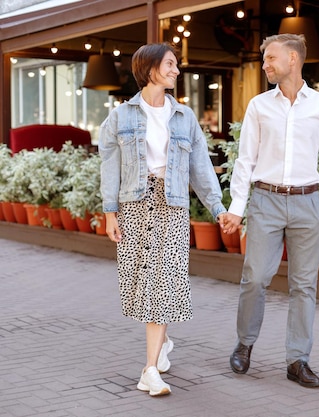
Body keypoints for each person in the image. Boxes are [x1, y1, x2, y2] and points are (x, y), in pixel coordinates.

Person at [99, 43, 226, 397]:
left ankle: (149, 370)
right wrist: (110, 213)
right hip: (135, 206)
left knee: (162, 282)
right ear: (150, 68)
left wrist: (218, 209)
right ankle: (163, 341)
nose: (176, 71)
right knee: (144, 283)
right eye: (170, 64)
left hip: (172, 207)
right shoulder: (121, 116)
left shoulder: (184, 117)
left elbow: (201, 169)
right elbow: (108, 166)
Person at [219, 33, 319, 388]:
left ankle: (297, 360)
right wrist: (237, 209)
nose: (264, 65)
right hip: (266, 200)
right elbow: (246, 160)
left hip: (308, 202)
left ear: (293, 59)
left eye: (270, 58)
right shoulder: (259, 105)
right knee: (255, 277)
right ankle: (245, 343)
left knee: (304, 286)